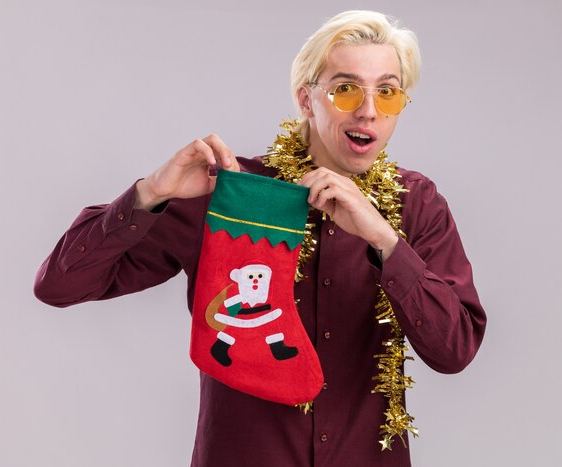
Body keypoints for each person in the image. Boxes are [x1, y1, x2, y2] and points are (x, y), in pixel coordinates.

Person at [34, 10, 486, 467]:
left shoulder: (415, 203)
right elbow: (59, 285)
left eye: (387, 93)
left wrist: (385, 243)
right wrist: (151, 193)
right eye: (346, 89)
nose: (368, 109)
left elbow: (455, 350)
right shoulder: (228, 193)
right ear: (306, 100)